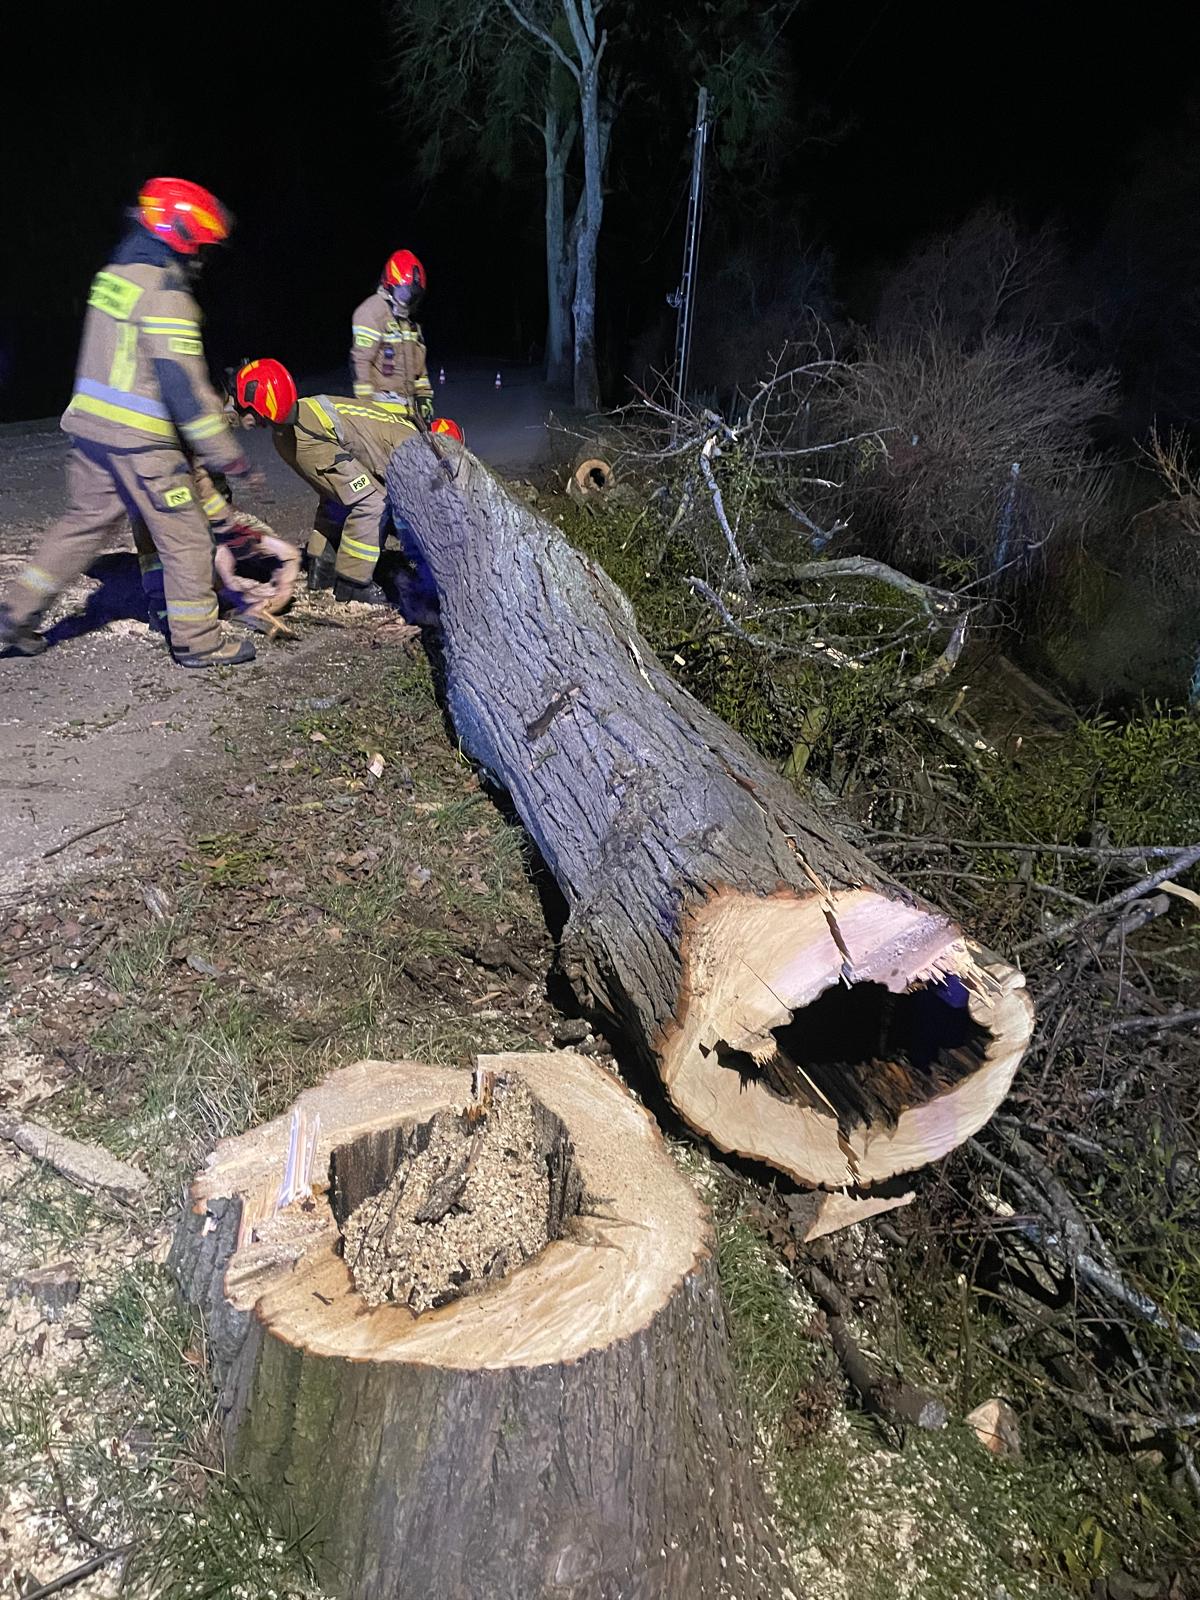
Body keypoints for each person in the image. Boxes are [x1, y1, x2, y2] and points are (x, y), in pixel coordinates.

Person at [0, 178, 260, 668]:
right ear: (182, 233)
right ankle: (199, 640)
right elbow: (183, 389)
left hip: (90, 431)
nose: (202, 258)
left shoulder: (112, 277)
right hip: (141, 441)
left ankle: (13, 618)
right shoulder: (168, 294)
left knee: (80, 526)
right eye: (201, 246)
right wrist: (228, 455)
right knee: (185, 536)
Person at [232, 359, 463, 606]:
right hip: (309, 438)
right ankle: (353, 582)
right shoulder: (419, 449)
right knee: (371, 502)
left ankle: (323, 565)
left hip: (298, 435)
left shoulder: (404, 427)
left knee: (342, 495)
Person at [350, 250, 435, 423]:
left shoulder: (407, 322)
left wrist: (424, 396)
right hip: (382, 407)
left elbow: (419, 366)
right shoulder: (371, 312)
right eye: (403, 293)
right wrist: (367, 407)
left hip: (408, 408)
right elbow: (361, 361)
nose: (407, 300)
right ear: (389, 284)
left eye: (413, 295)